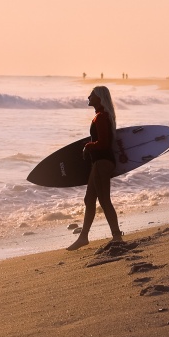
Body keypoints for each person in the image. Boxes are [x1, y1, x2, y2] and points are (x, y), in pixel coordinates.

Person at [67, 85, 122, 250]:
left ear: (99, 97)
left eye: (91, 95)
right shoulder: (103, 116)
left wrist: (88, 146)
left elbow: (103, 143)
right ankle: (83, 237)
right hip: (100, 163)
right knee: (89, 199)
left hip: (102, 162)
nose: (88, 97)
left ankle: (117, 235)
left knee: (104, 200)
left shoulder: (101, 117)